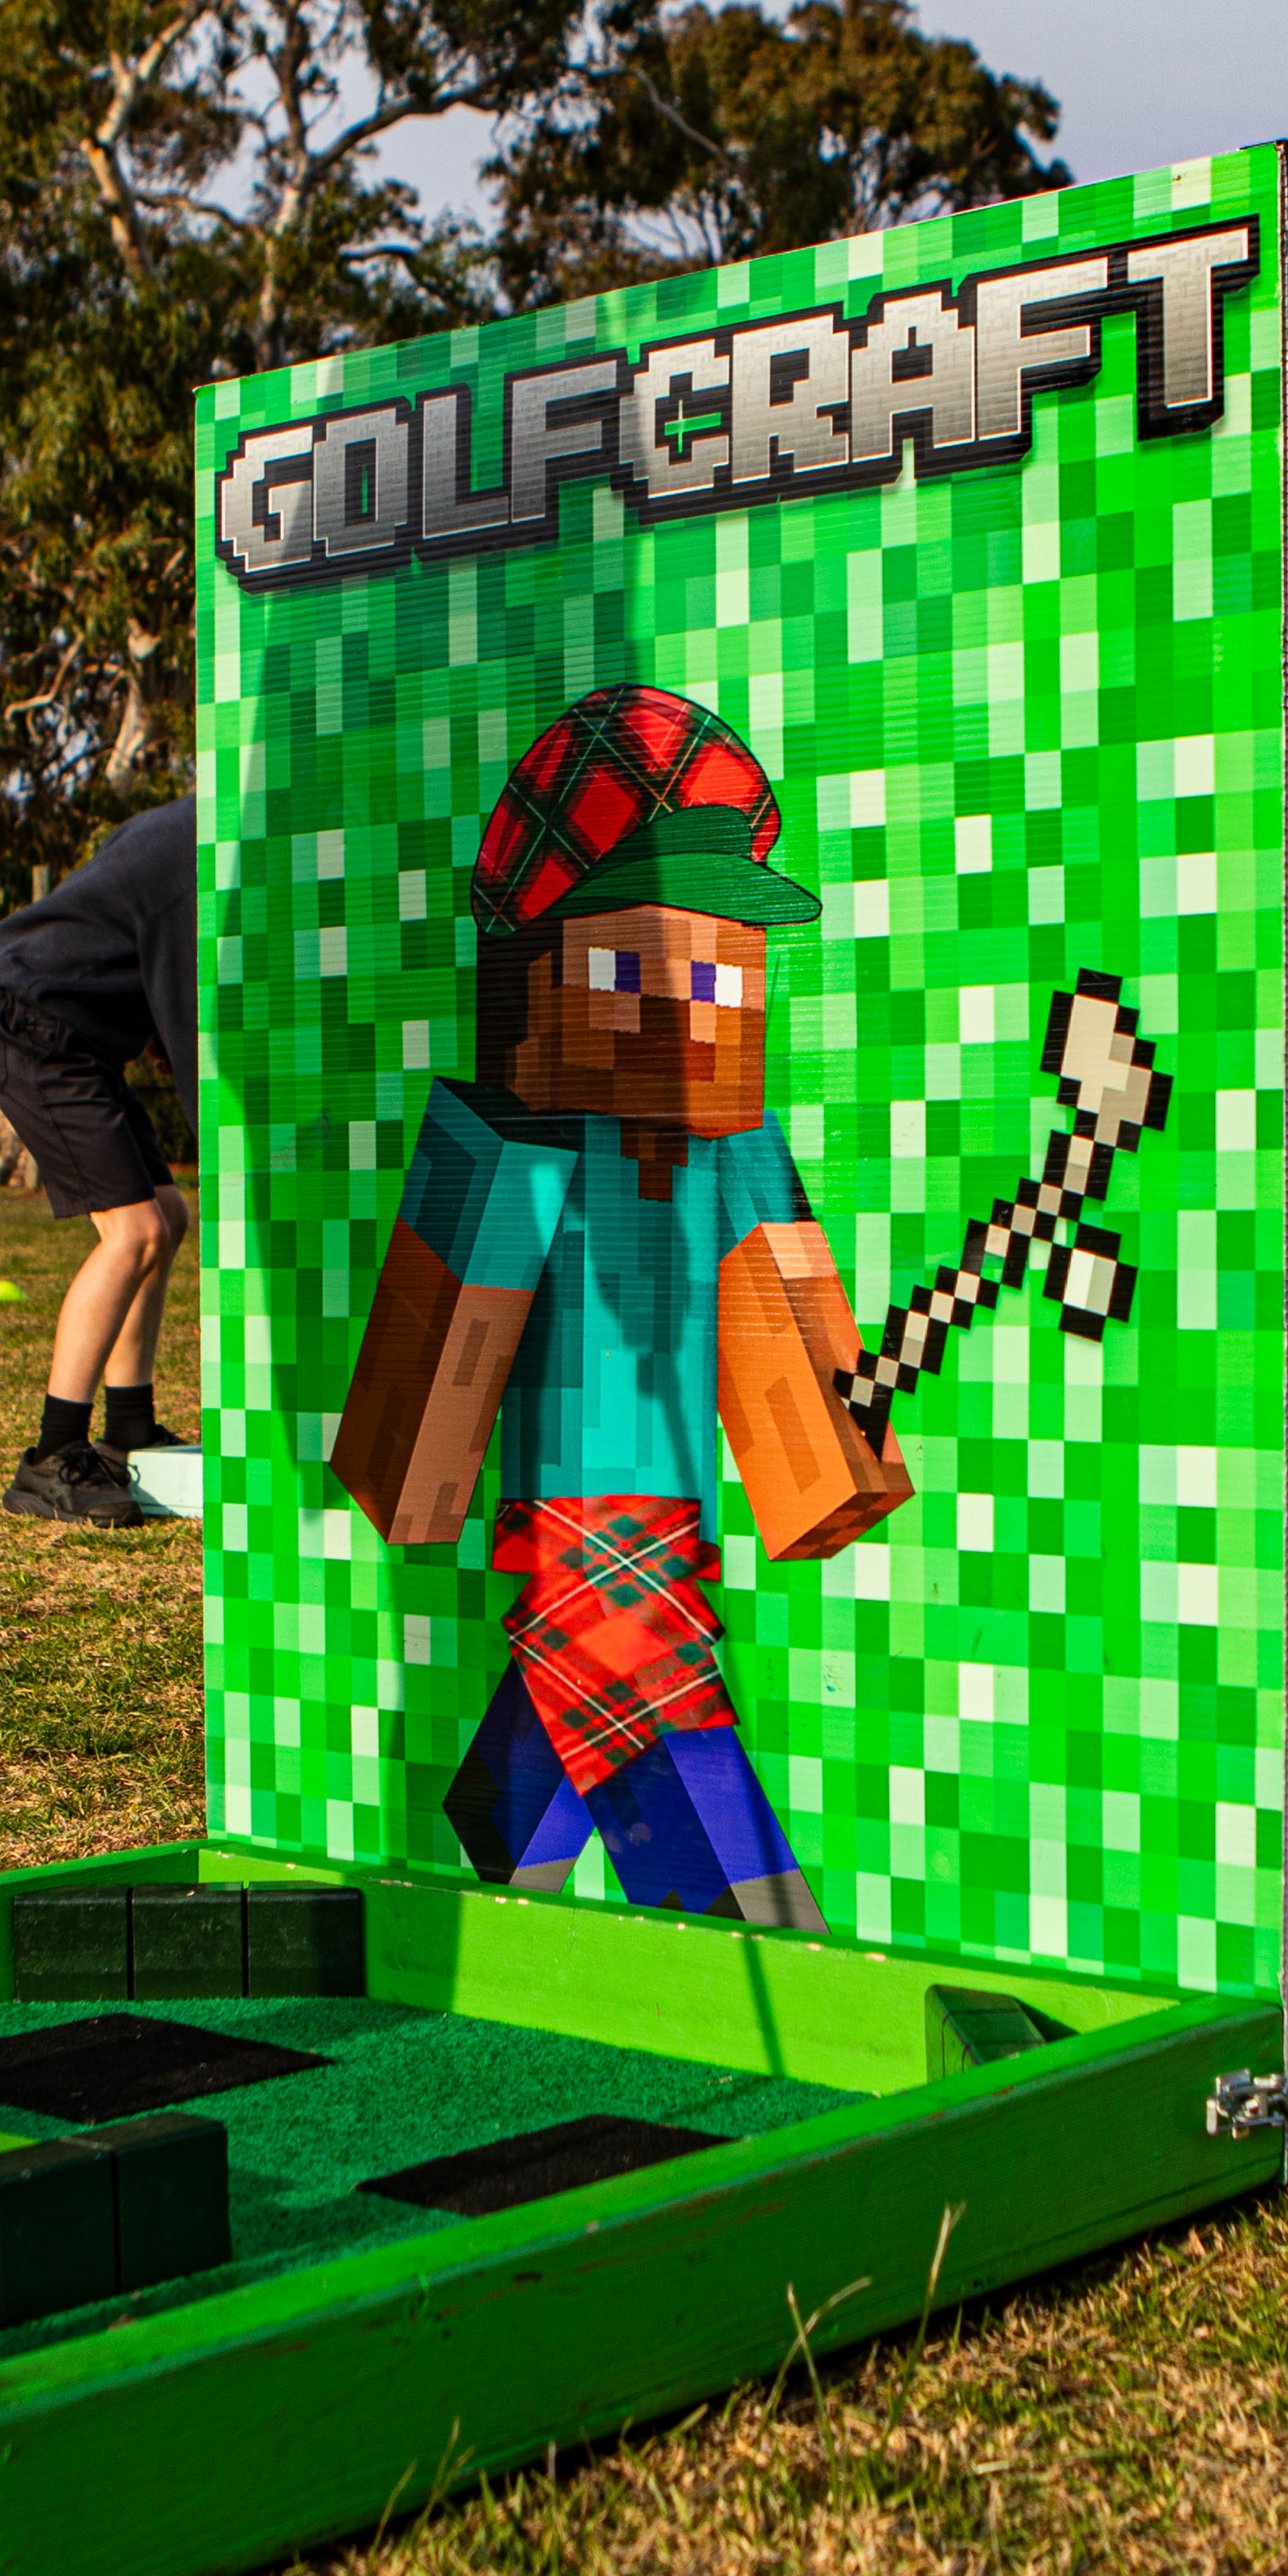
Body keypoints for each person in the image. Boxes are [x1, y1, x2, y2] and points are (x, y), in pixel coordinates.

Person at [331, 685, 910, 1926]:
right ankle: (770, 1960)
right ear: (542, 981)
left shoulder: (738, 1154)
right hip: (582, 1538)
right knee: (688, 1782)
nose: (704, 1008)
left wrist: (837, 1443)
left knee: (552, 1738)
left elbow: (799, 1360)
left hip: (667, 1526)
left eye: (728, 970)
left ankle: (490, 1859)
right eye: (645, 965)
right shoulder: (517, 1150)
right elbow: (429, 1383)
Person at [0, 802, 200, 1526]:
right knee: (131, 1234)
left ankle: (129, 1430)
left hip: (79, 1041)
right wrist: (231, 1148)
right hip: (34, 1032)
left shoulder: (185, 824)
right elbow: (192, 1022)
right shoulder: (195, 865)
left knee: (167, 1216)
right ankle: (51, 1454)